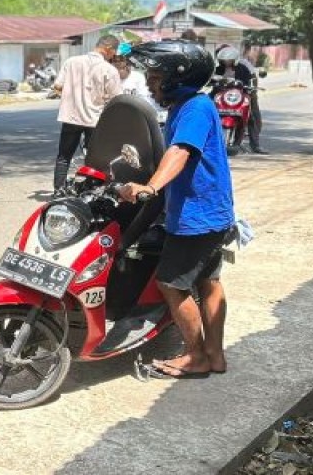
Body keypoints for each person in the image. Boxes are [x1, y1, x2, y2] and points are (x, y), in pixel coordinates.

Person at [118, 40, 234, 379]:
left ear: (177, 79)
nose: (150, 84)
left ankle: (196, 356)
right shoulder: (191, 105)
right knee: (208, 281)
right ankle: (215, 355)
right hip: (213, 211)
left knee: (171, 284)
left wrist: (151, 187)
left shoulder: (194, 108)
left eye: (155, 78)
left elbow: (181, 151)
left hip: (195, 215)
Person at [51, 34, 122, 189]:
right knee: (94, 159)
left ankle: (58, 190)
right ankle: (91, 189)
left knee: (64, 156)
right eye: (114, 52)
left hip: (71, 117)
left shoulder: (71, 62)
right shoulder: (109, 70)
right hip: (95, 120)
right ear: (108, 48)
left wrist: (71, 95)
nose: (113, 56)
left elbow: (57, 86)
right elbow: (116, 98)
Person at [214, 47, 266, 154]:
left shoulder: (243, 68)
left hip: (239, 96)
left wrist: (251, 90)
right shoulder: (218, 69)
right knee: (205, 108)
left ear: (235, 59)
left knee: (251, 117)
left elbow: (251, 80)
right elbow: (211, 80)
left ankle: (255, 145)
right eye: (224, 60)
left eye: (229, 60)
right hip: (222, 96)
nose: (226, 62)